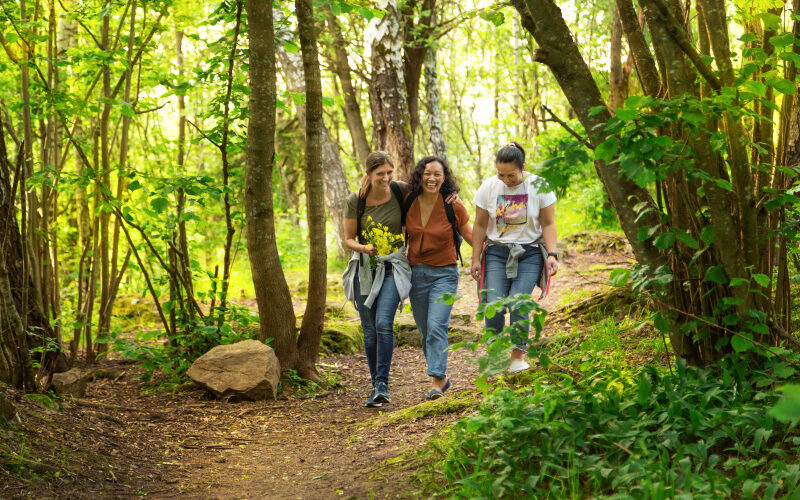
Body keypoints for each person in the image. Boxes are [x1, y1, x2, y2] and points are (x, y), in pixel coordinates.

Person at [470, 141, 558, 374]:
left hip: (529, 252)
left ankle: (518, 356)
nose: (506, 180)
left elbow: (549, 223)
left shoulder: (539, 185)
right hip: (497, 252)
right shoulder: (488, 187)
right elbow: (479, 225)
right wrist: (475, 258)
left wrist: (552, 254)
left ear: (523, 168)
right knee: (495, 303)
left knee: (518, 300)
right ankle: (496, 356)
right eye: (501, 175)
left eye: (511, 175)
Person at [342, 151, 410, 408]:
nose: (386, 178)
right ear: (368, 174)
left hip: (393, 266)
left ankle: (382, 383)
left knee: (383, 323)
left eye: (389, 172)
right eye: (380, 173)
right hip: (365, 269)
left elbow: (430, 192)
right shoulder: (356, 200)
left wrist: (452, 195)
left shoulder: (400, 190)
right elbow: (348, 238)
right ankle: (376, 386)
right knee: (369, 331)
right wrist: (364, 248)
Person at [404, 156, 473, 400]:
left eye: (437, 174)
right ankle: (443, 379)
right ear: (420, 175)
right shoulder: (408, 199)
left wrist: (486, 260)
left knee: (436, 326)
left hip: (444, 273)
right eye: (427, 173)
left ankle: (436, 379)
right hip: (416, 275)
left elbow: (470, 235)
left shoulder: (452, 205)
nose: (432, 178)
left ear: (444, 178)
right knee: (425, 330)